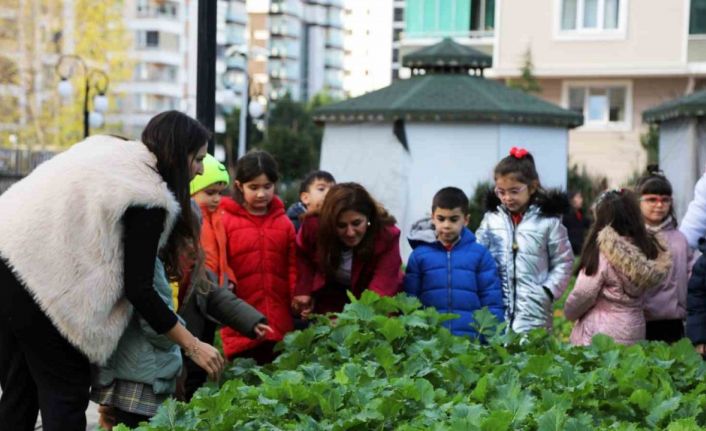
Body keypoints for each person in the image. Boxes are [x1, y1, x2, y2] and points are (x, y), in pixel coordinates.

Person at [0, 111, 224, 430]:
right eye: (198, 158)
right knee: (65, 393)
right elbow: (140, 289)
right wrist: (193, 344)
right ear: (178, 152)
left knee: (19, 390)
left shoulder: (113, 152)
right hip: (41, 282)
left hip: (7, 254)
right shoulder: (147, 194)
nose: (200, 168)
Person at [179, 154, 273, 400]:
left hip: (203, 313)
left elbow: (213, 281)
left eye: (220, 192)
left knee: (194, 379)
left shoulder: (215, 220)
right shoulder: (188, 221)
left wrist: (250, 320)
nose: (216, 199)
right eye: (209, 192)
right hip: (180, 332)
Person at [475, 147, 574, 334]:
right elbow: (477, 255)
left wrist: (547, 291)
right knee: (497, 359)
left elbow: (564, 261)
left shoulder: (548, 221)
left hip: (535, 312)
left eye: (514, 191)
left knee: (531, 359)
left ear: (533, 187)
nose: (507, 198)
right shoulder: (491, 219)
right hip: (496, 306)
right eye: (501, 192)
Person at [564, 189, 671, 346]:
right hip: (635, 327)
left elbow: (584, 292)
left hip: (601, 333)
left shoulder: (604, 252)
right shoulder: (645, 248)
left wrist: (569, 312)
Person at [220, 150, 296, 364]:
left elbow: (293, 268)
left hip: (279, 324)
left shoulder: (285, 224)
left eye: (267, 186)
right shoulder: (225, 222)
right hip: (240, 326)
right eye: (253, 187)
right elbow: (220, 265)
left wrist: (298, 297)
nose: (261, 194)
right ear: (239, 186)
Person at [404, 187, 504, 337]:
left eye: (453, 219)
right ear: (432, 218)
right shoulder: (419, 256)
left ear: (466, 220)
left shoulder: (480, 255)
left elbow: (492, 302)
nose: (446, 225)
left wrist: (490, 340)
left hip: (471, 344)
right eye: (441, 218)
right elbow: (410, 303)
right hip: (429, 343)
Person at [292, 182, 403, 318]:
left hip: (369, 295)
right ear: (330, 223)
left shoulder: (386, 235)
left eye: (356, 223)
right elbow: (303, 255)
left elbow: (382, 287)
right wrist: (304, 289)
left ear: (368, 218)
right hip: (332, 293)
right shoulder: (314, 227)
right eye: (341, 225)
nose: (350, 233)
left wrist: (351, 320)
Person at [636, 168, 693, 343]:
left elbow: (691, 275)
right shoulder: (631, 238)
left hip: (674, 321)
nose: (659, 205)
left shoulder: (680, 239)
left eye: (665, 200)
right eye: (652, 200)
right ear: (638, 202)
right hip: (640, 320)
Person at [562, 190, 591, 256]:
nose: (581, 200)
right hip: (569, 250)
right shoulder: (566, 215)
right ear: (571, 200)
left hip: (579, 250)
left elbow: (589, 224)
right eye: (578, 197)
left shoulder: (580, 214)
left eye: (581, 197)